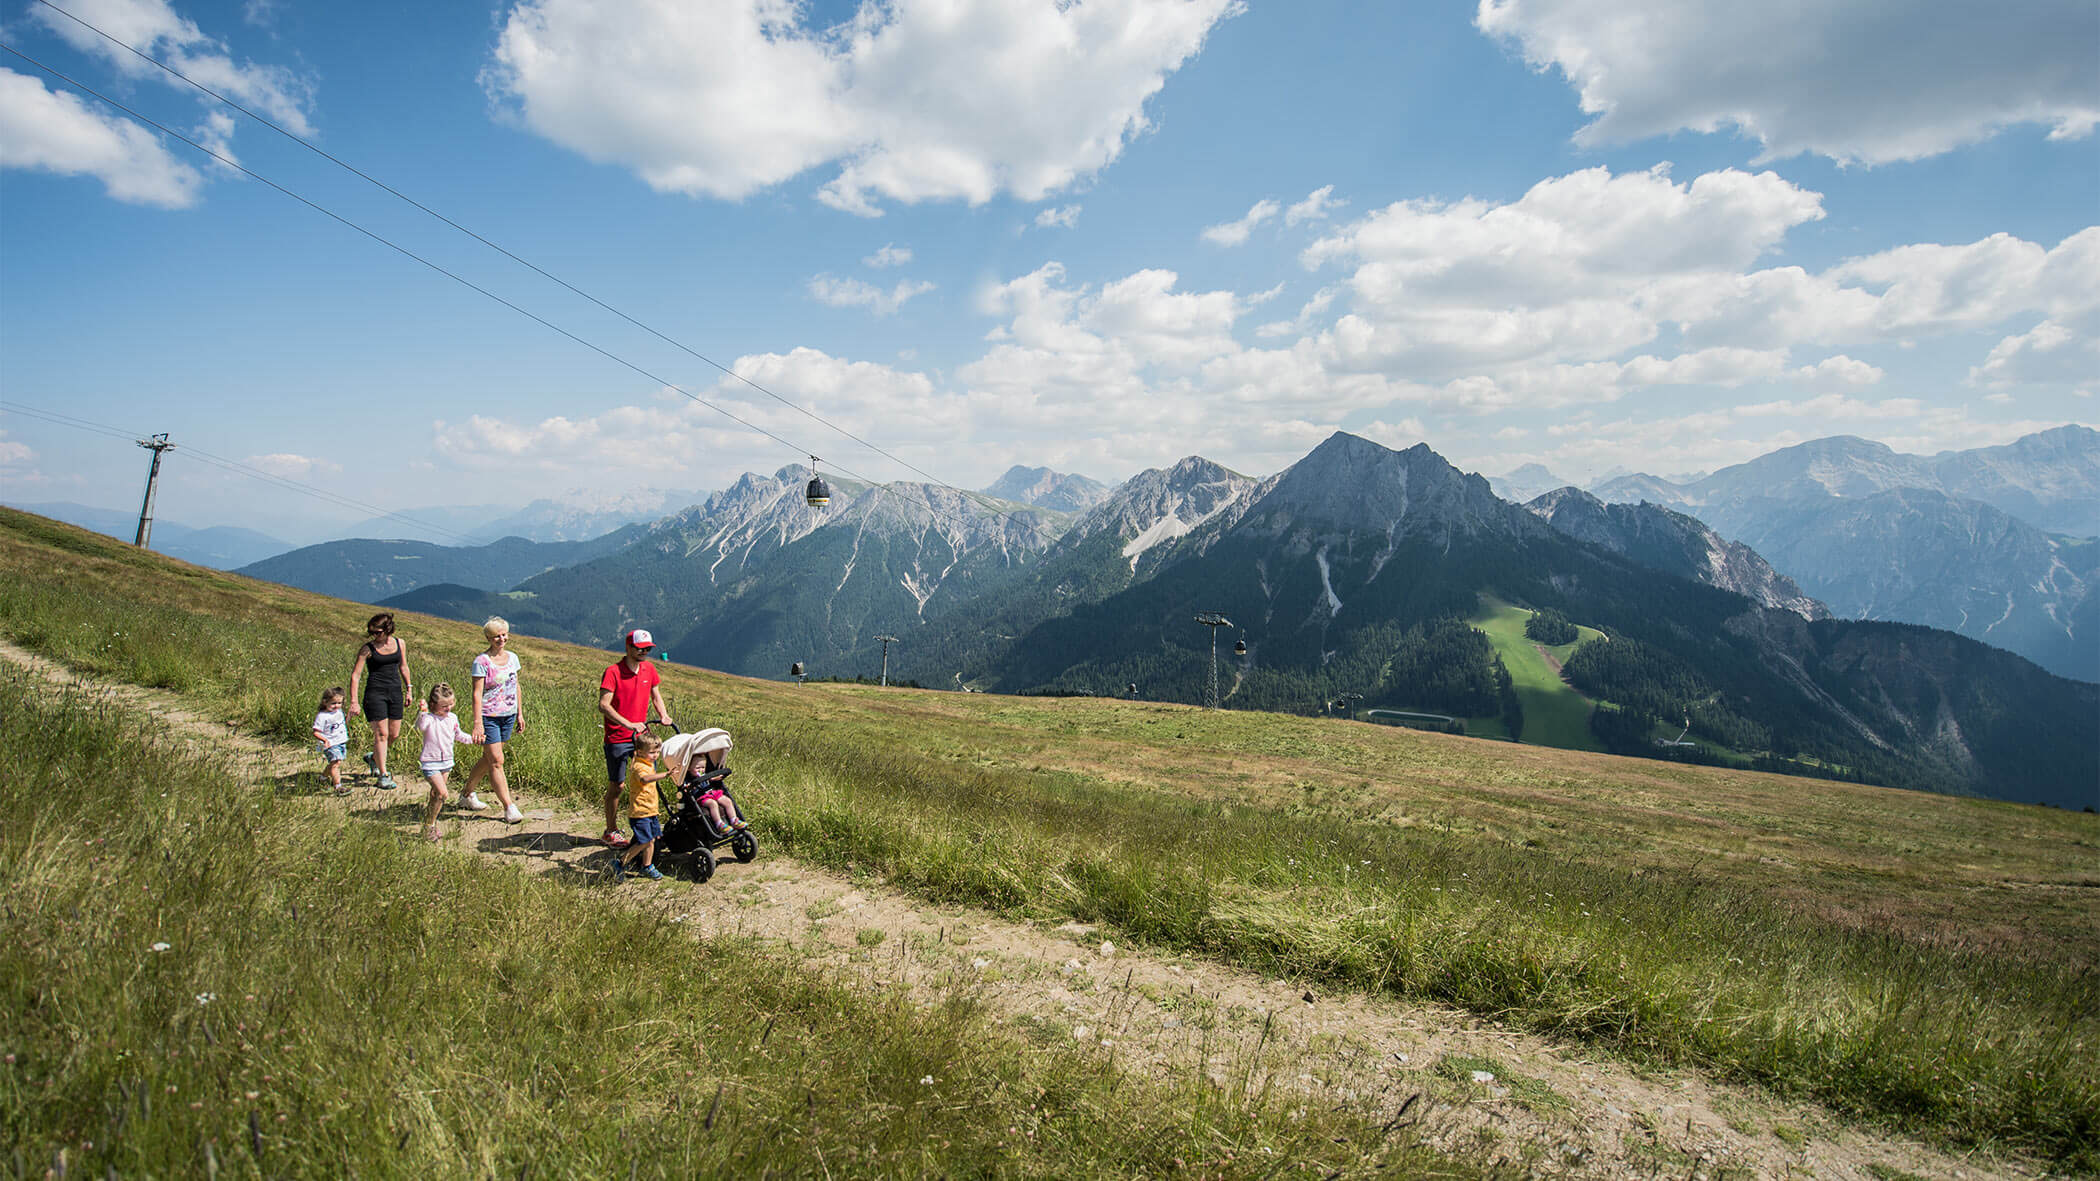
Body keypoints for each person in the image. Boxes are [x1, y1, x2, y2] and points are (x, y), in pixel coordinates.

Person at [598, 628, 674, 847]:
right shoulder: (613, 672)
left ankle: (648, 827)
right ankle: (610, 831)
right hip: (618, 737)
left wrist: (664, 715)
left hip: (641, 738)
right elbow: (603, 705)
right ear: (628, 647)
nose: (644, 652)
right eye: (640, 648)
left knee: (648, 781)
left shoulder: (649, 670)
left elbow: (656, 695)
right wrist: (627, 723)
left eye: (648, 649)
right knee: (618, 786)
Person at [460, 617, 524, 824]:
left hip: (508, 715)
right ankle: (509, 807)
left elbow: (516, 686)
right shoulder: (481, 662)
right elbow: (477, 694)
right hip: (489, 716)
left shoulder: (513, 658)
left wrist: (520, 713)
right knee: (497, 760)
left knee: (490, 758)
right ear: (488, 637)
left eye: (504, 634)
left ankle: (467, 794)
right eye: (497, 635)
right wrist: (477, 722)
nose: (501, 638)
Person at [348, 612, 413, 790]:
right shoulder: (367, 649)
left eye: (378, 632)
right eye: (372, 633)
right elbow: (356, 675)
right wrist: (354, 701)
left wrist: (409, 689)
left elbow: (403, 666)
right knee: (382, 734)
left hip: (395, 692)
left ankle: (373, 757)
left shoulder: (400, 643)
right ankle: (383, 774)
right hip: (375, 693)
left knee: (394, 734)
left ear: (388, 629)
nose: (374, 636)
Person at [413, 683, 483, 841]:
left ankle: (429, 825)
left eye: (451, 704)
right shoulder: (429, 719)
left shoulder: (452, 718)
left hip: (446, 763)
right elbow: (421, 727)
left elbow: (458, 735)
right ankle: (429, 826)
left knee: (436, 796)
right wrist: (423, 712)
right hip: (430, 763)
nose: (448, 708)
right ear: (433, 704)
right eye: (444, 706)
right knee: (443, 793)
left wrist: (474, 739)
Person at [612, 730, 670, 881]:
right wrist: (665, 775)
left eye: (657, 752)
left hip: (650, 810)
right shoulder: (639, 766)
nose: (655, 755)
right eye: (652, 752)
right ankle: (620, 862)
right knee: (644, 841)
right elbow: (645, 779)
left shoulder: (648, 763)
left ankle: (647, 866)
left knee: (651, 840)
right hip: (639, 812)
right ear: (639, 752)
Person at [313, 686, 350, 795]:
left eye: (339, 703)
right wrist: (324, 740)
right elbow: (315, 731)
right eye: (333, 703)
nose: (336, 706)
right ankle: (338, 786)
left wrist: (350, 716)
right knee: (335, 764)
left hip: (341, 742)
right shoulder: (322, 716)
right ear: (325, 702)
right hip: (330, 744)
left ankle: (322, 778)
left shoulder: (339, 712)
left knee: (334, 763)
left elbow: (342, 724)